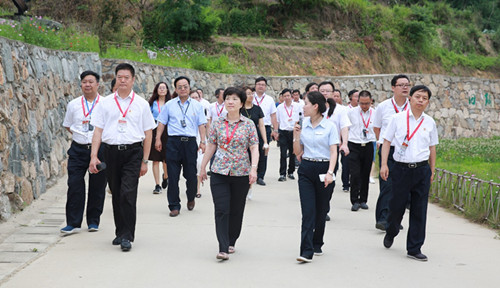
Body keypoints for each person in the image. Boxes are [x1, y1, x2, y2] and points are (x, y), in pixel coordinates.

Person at [89, 63, 156, 252]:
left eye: (126, 77)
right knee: (117, 193)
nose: (123, 80)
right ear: (116, 79)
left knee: (128, 193)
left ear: (133, 80)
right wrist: (94, 156)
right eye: (120, 77)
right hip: (110, 153)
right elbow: (98, 130)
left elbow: (148, 133)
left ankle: (128, 235)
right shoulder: (106, 103)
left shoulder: (141, 104)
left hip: (133, 152)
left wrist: (145, 160)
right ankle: (120, 232)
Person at [200, 87, 259, 261]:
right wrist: (202, 167)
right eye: (227, 99)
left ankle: (232, 239)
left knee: (236, 209)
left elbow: (254, 146)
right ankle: (223, 247)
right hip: (219, 171)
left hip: (241, 172)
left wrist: (253, 168)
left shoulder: (248, 124)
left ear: (241, 103)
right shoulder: (217, 123)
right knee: (221, 209)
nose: (230, 102)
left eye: (234, 99)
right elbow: (211, 145)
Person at [380, 85, 438, 262]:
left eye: (425, 98)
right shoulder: (397, 119)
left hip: (421, 170)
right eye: (418, 97)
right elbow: (387, 142)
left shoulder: (430, 122)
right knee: (396, 207)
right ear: (410, 98)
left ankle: (414, 247)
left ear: (428, 102)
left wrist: (432, 169)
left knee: (419, 209)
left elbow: (432, 147)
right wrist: (383, 164)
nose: (421, 100)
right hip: (401, 169)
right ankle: (392, 230)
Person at [293, 91, 339, 263]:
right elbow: (297, 152)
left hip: (323, 168)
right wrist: (296, 136)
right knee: (308, 211)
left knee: (321, 210)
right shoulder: (302, 124)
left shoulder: (330, 126)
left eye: (305, 103)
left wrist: (330, 172)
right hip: (306, 168)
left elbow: (334, 152)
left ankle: (317, 241)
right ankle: (306, 250)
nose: (303, 107)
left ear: (315, 106)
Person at [61, 70, 107, 235]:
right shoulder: (73, 104)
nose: (87, 85)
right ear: (81, 84)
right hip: (78, 149)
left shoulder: (105, 103)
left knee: (97, 186)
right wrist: (82, 137)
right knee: (74, 184)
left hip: (100, 150)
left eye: (90, 82)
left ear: (97, 85)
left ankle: (93, 220)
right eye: (84, 82)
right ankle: (73, 223)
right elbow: (68, 125)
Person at [155, 76, 207, 217]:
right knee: (172, 175)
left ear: (189, 88)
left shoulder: (197, 105)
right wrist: (158, 138)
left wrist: (203, 141)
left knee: (190, 175)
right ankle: (174, 206)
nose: (183, 89)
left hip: (190, 143)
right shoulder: (170, 105)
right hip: (173, 143)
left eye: (185, 86)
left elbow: (201, 125)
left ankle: (191, 197)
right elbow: (161, 123)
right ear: (175, 89)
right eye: (180, 87)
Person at [373, 74, 411, 231]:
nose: (405, 87)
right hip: (389, 150)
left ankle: (395, 219)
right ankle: (383, 219)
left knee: (402, 187)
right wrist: (383, 143)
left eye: (407, 85)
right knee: (387, 184)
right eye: (401, 85)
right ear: (393, 88)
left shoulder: (413, 106)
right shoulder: (383, 107)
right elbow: (377, 127)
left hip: (407, 152)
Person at [318, 81, 351, 222]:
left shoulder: (340, 110)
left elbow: (344, 127)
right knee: (314, 182)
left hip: (332, 151)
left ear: (333, 93)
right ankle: (315, 207)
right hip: (314, 150)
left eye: (328, 91)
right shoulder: (313, 108)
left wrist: (345, 143)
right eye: (322, 90)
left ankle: (324, 208)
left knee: (328, 181)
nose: (325, 93)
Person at [347, 90, 375, 211]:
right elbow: (345, 128)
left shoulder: (375, 113)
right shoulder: (351, 113)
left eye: (367, 103)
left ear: (371, 102)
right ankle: (354, 200)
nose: (364, 106)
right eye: (362, 103)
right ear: (358, 102)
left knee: (365, 173)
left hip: (368, 144)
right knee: (355, 173)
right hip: (354, 145)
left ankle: (363, 199)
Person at [241, 86, 268, 200]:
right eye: (248, 93)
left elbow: (261, 125)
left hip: (255, 140)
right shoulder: (240, 109)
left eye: (252, 93)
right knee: (243, 165)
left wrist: (266, 142)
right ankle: (242, 188)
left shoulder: (257, 109)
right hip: (241, 141)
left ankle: (250, 188)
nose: (251, 95)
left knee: (253, 165)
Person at [253, 76, 279, 186]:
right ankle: (249, 173)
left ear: (266, 87)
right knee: (250, 151)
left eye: (263, 84)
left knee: (264, 151)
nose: (261, 86)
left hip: (266, 128)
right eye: (259, 84)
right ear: (255, 85)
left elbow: (273, 115)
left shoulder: (269, 99)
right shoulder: (250, 97)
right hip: (251, 127)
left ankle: (260, 176)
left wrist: (275, 130)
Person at [148, 82, 171, 194]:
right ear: (156, 90)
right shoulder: (152, 103)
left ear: (167, 90)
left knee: (166, 159)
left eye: (164, 88)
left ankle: (166, 176)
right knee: (155, 158)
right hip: (154, 130)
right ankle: (157, 184)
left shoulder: (171, 103)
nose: (162, 90)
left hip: (167, 131)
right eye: (160, 88)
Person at [276, 88, 301, 181]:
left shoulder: (297, 106)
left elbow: (300, 118)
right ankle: (282, 174)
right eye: (285, 96)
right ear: (282, 97)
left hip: (293, 132)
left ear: (291, 96)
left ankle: (290, 172)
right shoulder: (279, 107)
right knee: (283, 153)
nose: (287, 98)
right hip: (283, 132)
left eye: (288, 96)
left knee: (292, 152)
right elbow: (277, 120)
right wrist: (276, 132)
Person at [189, 90, 207, 198]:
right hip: (190, 138)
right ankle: (191, 185)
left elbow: (205, 125)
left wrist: (204, 140)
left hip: (200, 138)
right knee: (191, 165)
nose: (195, 99)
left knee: (200, 163)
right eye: (193, 97)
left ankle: (197, 188)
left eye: (197, 97)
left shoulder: (202, 109)